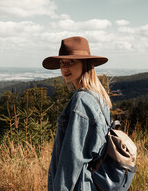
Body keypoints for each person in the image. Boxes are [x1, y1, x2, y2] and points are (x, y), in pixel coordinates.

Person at [42, 36, 112, 191]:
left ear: (85, 63)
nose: (65, 67)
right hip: (93, 182)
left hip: (79, 185)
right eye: (62, 62)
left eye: (71, 61)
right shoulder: (99, 97)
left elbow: (72, 157)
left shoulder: (81, 100)